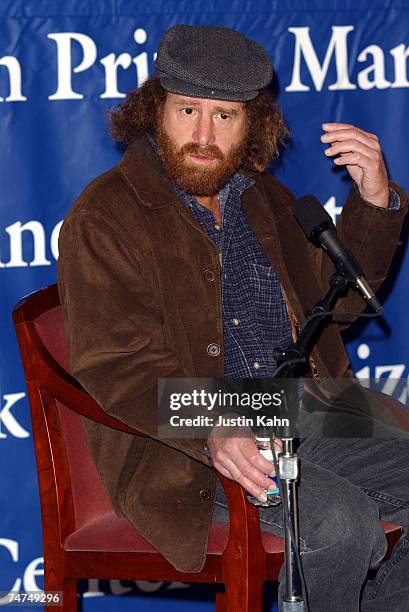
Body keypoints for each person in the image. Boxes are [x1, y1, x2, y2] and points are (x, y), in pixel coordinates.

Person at [57, 24, 409, 611]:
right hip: (183, 450)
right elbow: (116, 366)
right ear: (154, 109)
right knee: (340, 524)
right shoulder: (105, 215)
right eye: (187, 109)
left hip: (295, 411)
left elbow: (339, 305)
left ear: (253, 126)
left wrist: (372, 201)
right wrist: (216, 422)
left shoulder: (262, 197)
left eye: (225, 116)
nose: (203, 134)